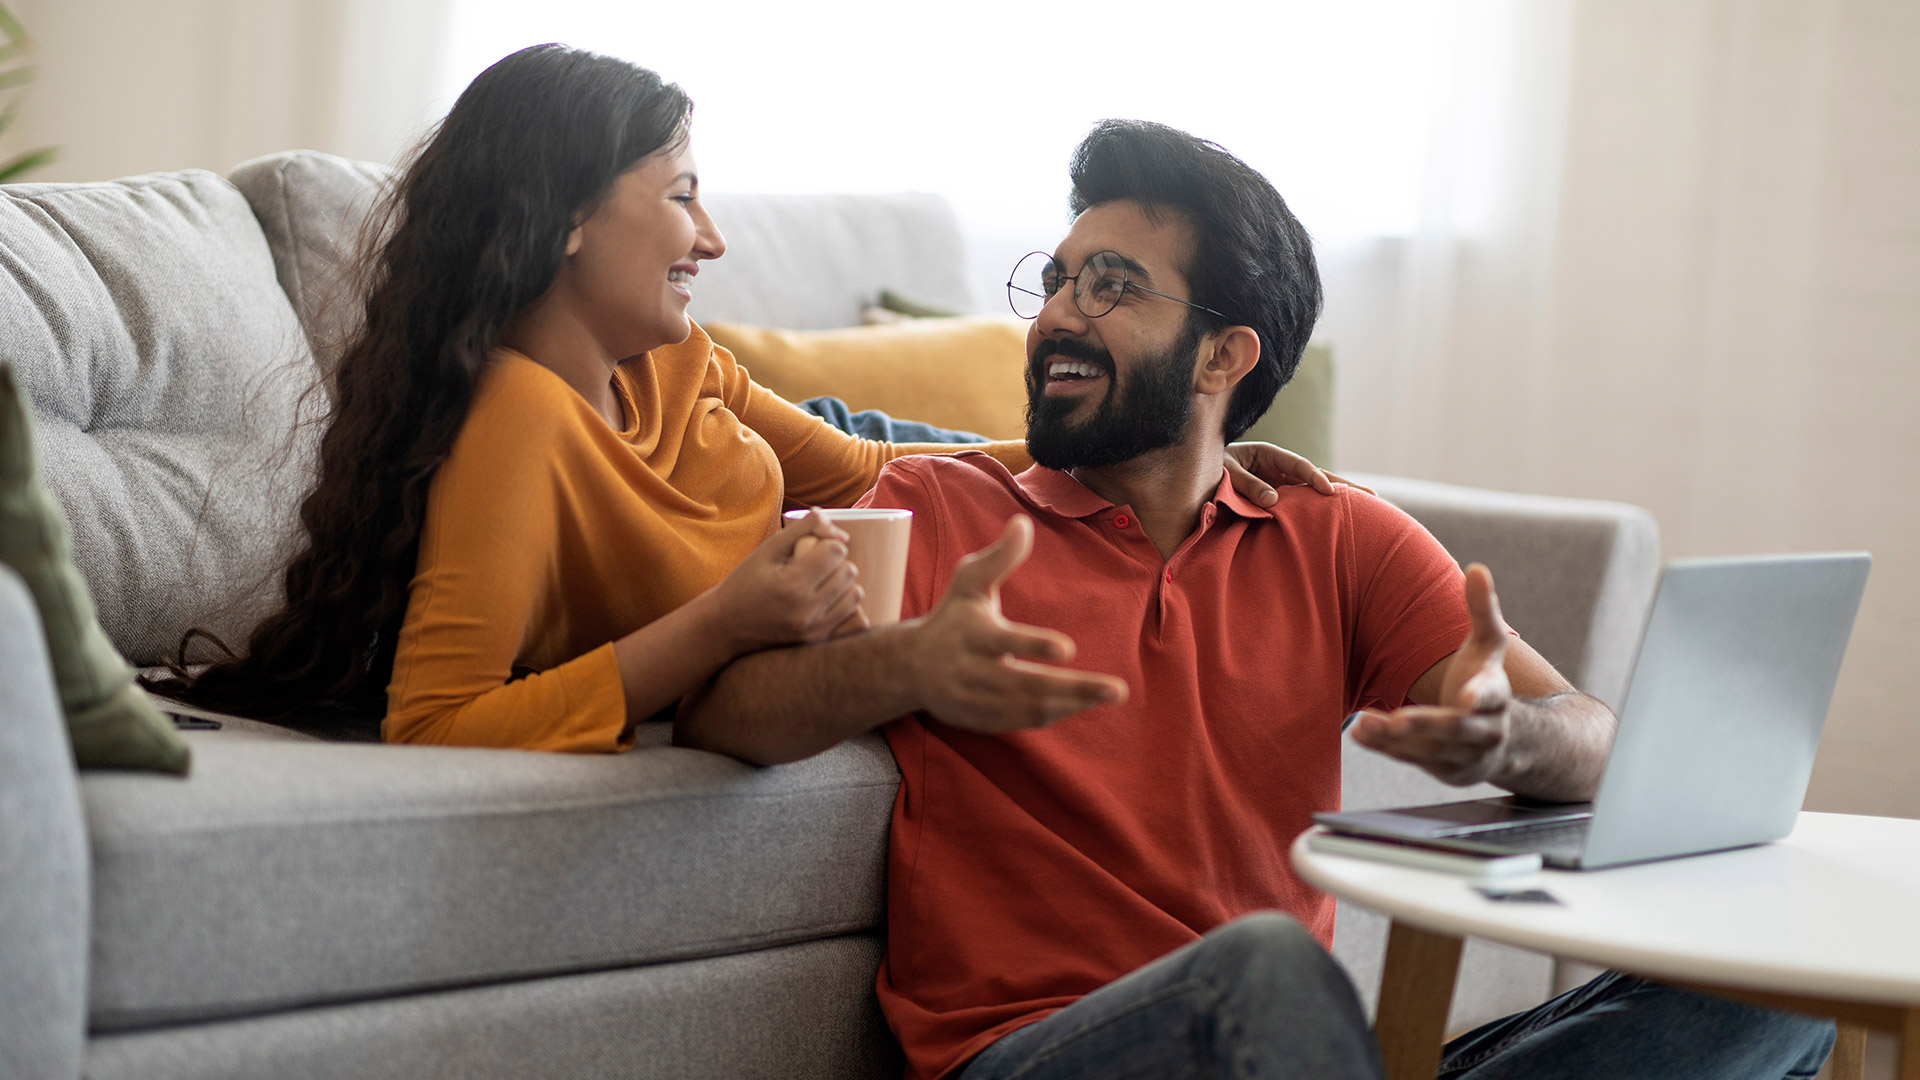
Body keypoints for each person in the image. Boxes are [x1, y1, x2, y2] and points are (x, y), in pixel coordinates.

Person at [675, 120, 1837, 1080]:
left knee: (1781, 972)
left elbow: (1596, 746)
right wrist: (905, 666)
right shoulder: (939, 507)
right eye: (1060, 278)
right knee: (1269, 969)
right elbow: (724, 712)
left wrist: (1505, 729)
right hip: (1038, 1052)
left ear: (1225, 358)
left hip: (1286, 1052)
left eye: (1113, 287)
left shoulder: (1337, 537)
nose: (1058, 315)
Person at [146, 46, 1328, 747]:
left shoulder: (673, 363)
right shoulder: (516, 420)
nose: (710, 237)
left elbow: (873, 473)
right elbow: (435, 721)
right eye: (683, 195)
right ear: (565, 220)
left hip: (856, 478)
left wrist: (1181, 445)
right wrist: (722, 625)